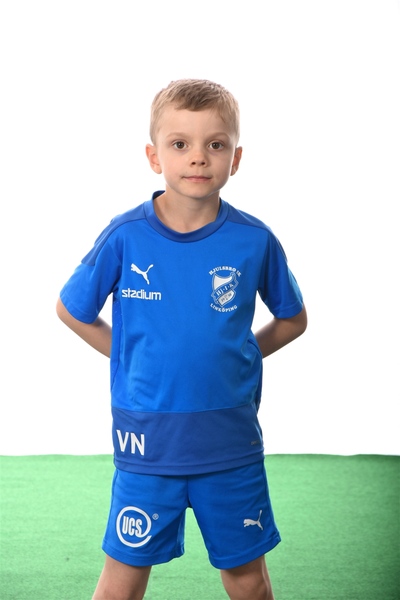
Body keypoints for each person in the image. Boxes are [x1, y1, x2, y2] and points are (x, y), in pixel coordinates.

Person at [56, 78, 307, 600]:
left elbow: (292, 319)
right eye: (179, 144)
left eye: (215, 144)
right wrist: (127, 355)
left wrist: (241, 354)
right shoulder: (125, 236)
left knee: (248, 581)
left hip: (230, 444)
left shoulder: (254, 240)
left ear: (236, 158)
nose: (198, 157)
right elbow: (72, 310)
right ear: (154, 156)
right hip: (148, 445)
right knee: (121, 582)